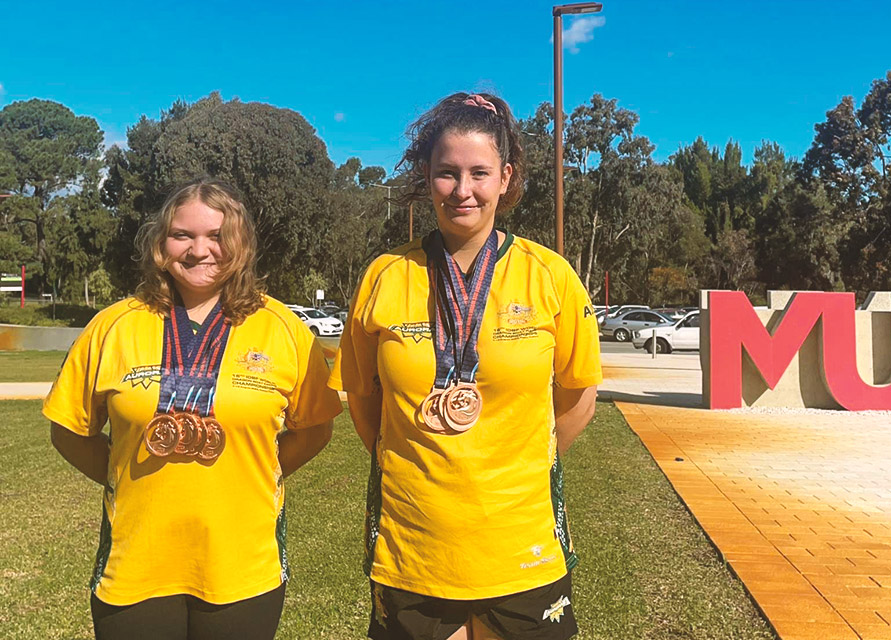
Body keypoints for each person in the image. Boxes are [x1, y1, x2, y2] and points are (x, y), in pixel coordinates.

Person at [330, 92, 602, 640]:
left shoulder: (550, 277)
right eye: (446, 173)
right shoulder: (385, 277)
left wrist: (516, 463)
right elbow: (364, 403)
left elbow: (576, 401)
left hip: (522, 544)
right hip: (415, 547)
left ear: (506, 177)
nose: (462, 190)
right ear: (426, 178)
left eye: (479, 173)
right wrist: (419, 463)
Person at [43, 178, 342, 640]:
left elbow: (315, 429)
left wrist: (256, 471)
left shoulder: (283, 328)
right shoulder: (114, 326)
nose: (200, 249)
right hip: (136, 566)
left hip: (241, 565)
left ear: (240, 243)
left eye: (217, 236)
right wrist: (119, 473)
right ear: (161, 243)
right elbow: (69, 430)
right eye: (183, 235)